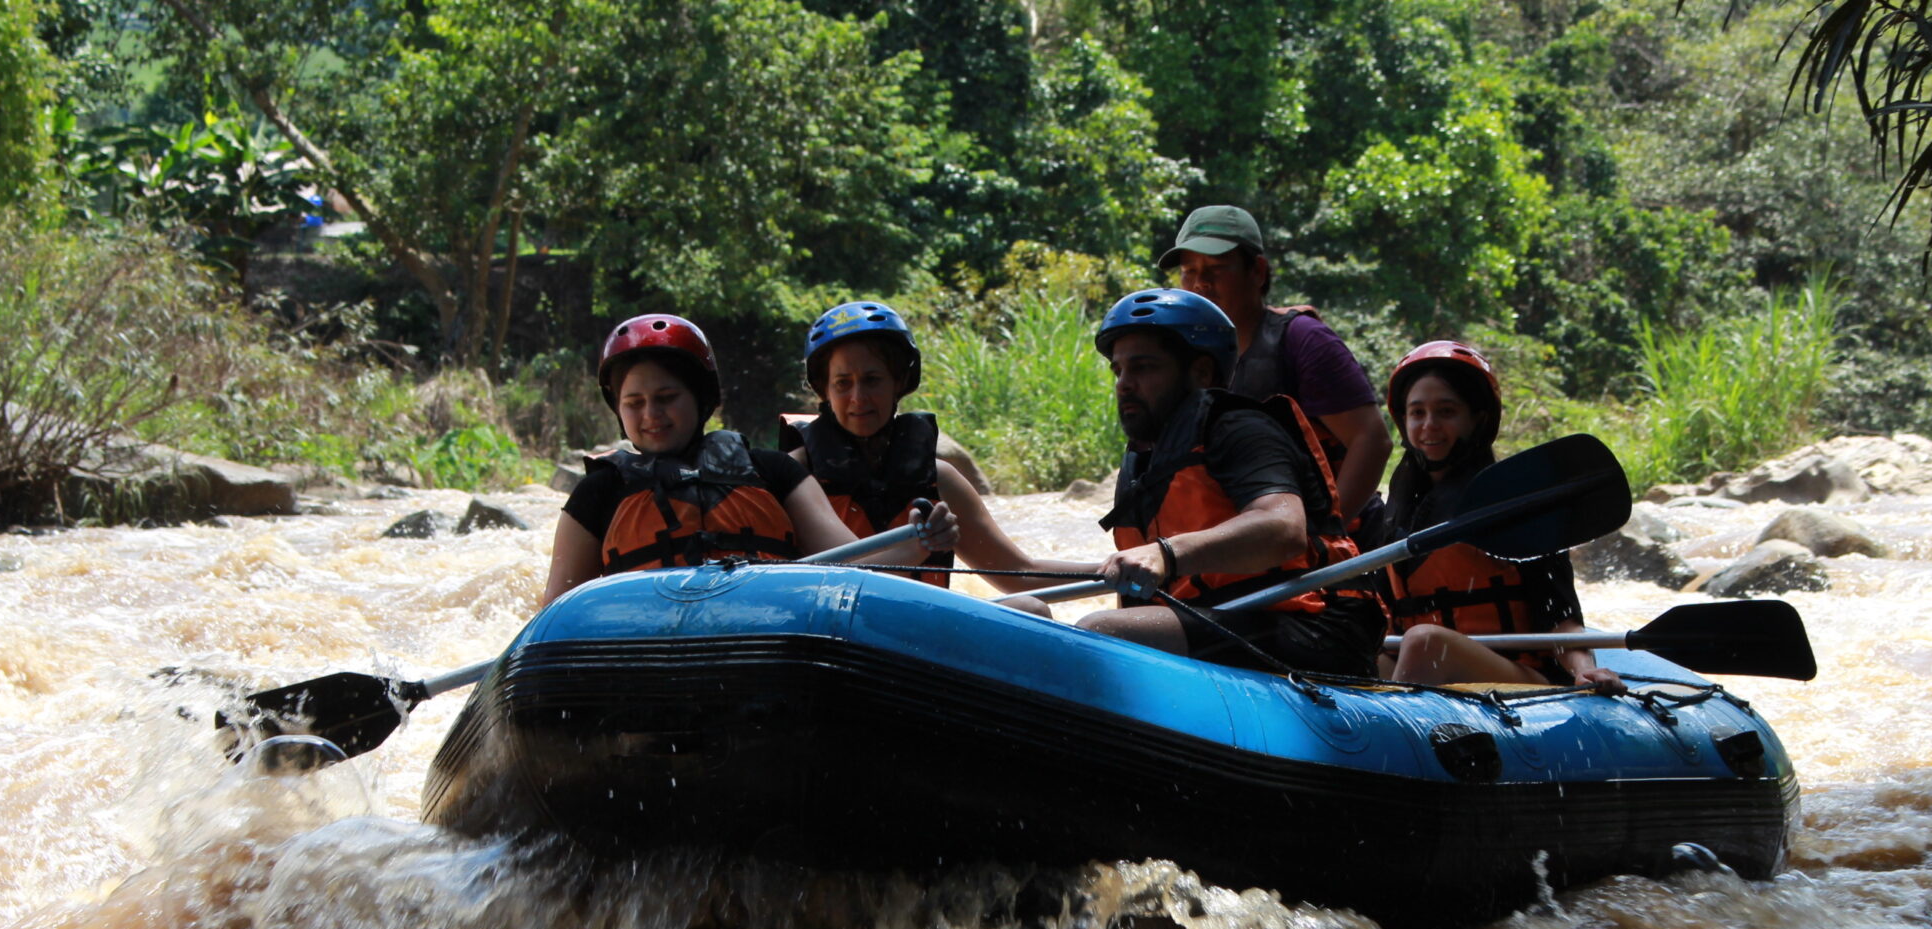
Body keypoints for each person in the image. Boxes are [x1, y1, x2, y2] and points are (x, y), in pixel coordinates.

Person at [1026, 288, 1383, 676]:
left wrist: (1165, 554)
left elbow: (1283, 527)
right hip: (1222, 621)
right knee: (1025, 613)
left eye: (1143, 368)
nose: (1124, 383)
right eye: (1119, 370)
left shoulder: (1240, 427)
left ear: (1200, 372)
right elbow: (1017, 570)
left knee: (1104, 631)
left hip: (1316, 624)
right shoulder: (1146, 465)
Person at [542, 313, 953, 607]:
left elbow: (855, 568)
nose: (651, 414)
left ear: (701, 398)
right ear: (618, 409)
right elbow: (556, 611)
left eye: (667, 398)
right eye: (635, 403)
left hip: (762, 645)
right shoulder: (599, 491)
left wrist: (918, 546)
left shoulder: (774, 472)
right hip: (644, 655)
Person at [1380, 340, 1623, 693]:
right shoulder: (1397, 511)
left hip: (1519, 677)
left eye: (1446, 411)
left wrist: (1584, 669)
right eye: (1417, 413)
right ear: (1404, 421)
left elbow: (1560, 615)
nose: (1429, 425)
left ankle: (1397, 725)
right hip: (1423, 677)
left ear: (1477, 419)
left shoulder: (1514, 505)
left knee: (1425, 642)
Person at [1161, 205, 1392, 535]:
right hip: (1248, 543)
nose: (1201, 284)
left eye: (1217, 268)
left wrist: (1322, 536)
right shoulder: (1186, 357)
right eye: (1189, 272)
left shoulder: (1304, 340)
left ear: (1257, 272)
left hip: (1334, 545)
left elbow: (1371, 440)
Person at [779, 300, 1039, 594]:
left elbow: (1020, 574)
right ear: (824, 390)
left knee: (1031, 605)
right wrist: (918, 547)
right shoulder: (793, 475)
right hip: (832, 622)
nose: (858, 397)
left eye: (872, 380)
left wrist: (1089, 571)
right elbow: (838, 582)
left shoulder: (940, 479)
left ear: (899, 381)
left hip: (919, 620)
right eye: (842, 383)